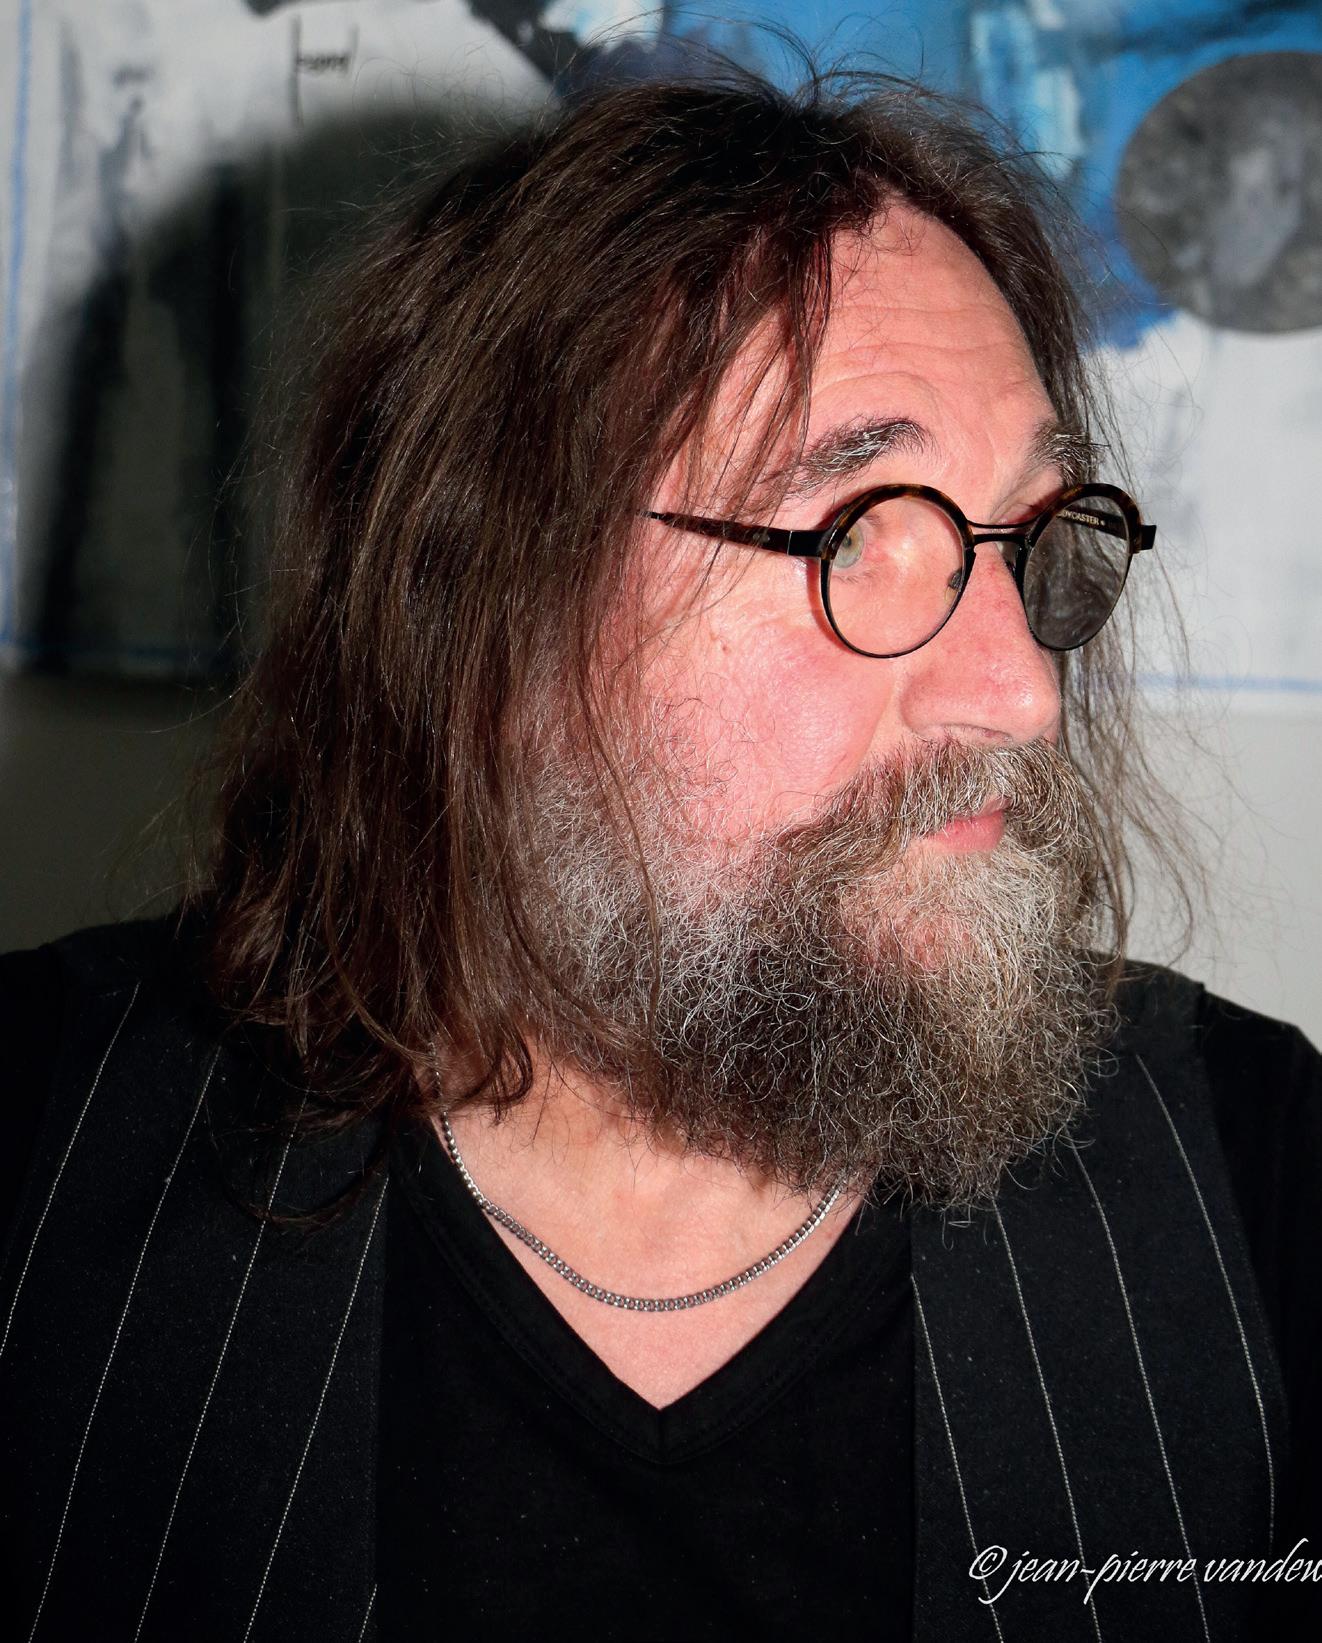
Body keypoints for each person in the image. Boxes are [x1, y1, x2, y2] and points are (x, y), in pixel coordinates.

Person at [2, 70, 1319, 1643]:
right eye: (857, 534)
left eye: (1030, 535)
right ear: (480, 607)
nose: (1021, 692)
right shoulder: (33, 1150)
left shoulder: (1253, 1175)